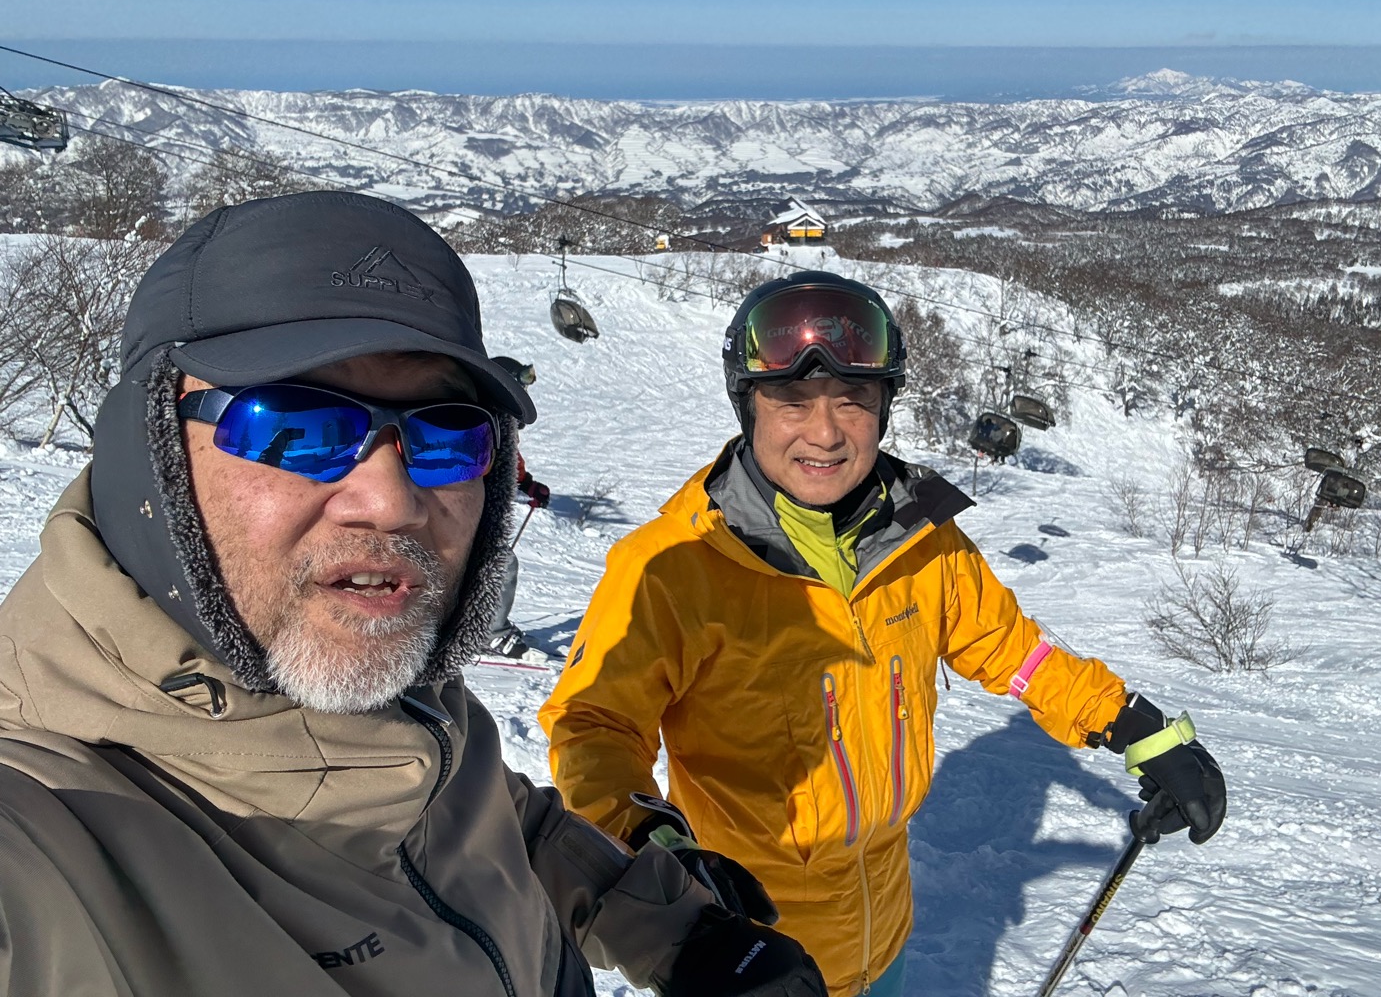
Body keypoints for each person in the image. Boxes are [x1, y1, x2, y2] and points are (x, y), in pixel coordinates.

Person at [0, 191, 825, 997]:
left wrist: (670, 928)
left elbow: (498, 825)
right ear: (146, 456)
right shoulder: (50, 825)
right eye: (294, 428)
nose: (391, 500)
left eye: (444, 436)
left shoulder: (412, 701)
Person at [540, 271, 1227, 996]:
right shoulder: (674, 565)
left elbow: (1008, 647)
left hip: (883, 928)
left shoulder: (919, 540)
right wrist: (656, 846)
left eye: (853, 400)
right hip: (750, 949)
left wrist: (1131, 724)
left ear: (884, 408)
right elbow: (593, 727)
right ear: (749, 406)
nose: (826, 432)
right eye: (792, 401)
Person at [485, 355, 552, 659]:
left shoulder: (503, 420)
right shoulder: (488, 418)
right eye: (521, 385)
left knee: (494, 563)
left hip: (482, 507)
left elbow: (511, 461)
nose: (525, 393)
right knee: (501, 562)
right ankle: (491, 633)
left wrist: (527, 484)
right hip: (464, 507)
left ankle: (483, 626)